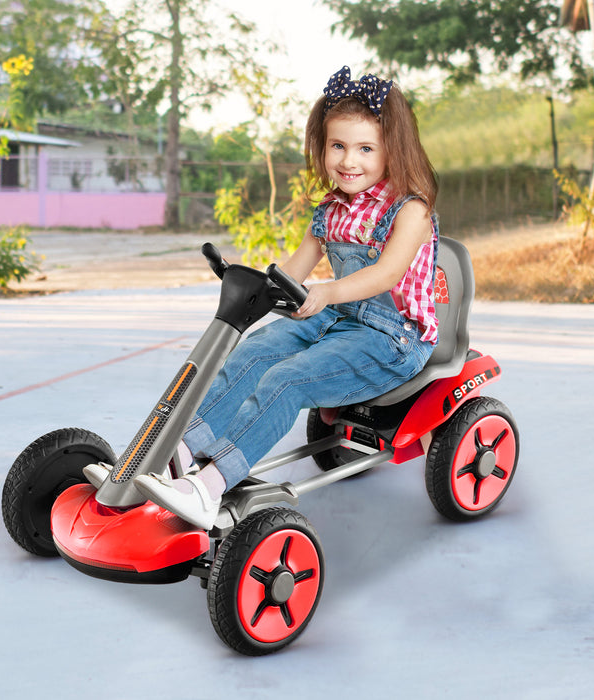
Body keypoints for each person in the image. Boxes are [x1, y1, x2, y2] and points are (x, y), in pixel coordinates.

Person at [125, 65, 439, 529]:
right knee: (255, 351)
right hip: (335, 319)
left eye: (365, 148)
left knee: (287, 380)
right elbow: (295, 269)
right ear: (323, 146)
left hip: (391, 339)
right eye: (338, 146)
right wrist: (254, 286)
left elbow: (384, 274)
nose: (348, 160)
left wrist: (328, 291)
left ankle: (210, 488)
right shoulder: (331, 210)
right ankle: (181, 451)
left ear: (392, 149)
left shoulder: (410, 210)